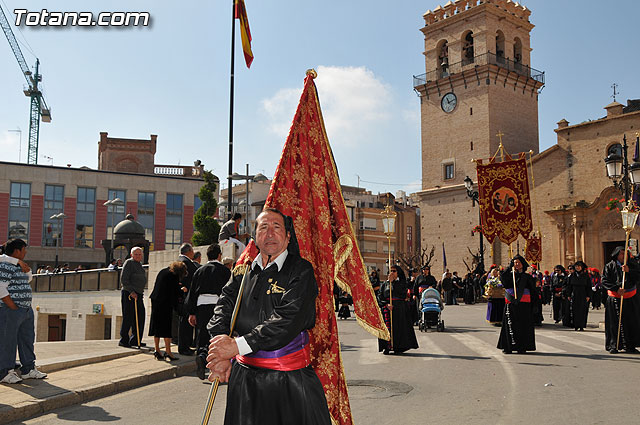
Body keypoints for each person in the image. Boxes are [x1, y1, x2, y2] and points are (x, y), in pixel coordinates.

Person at [206, 208, 331, 424]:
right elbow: (222, 310)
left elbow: (286, 321)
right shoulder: (241, 273)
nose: (270, 233)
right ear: (255, 237)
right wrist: (220, 355)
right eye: (263, 227)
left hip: (288, 382)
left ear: (288, 235)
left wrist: (235, 347)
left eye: (276, 227)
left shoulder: (301, 271)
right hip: (244, 381)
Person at [0, 239, 47, 384]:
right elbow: (0, 287)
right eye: (24, 249)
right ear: (17, 251)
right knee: (8, 341)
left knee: (27, 339)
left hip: (25, 309)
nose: (26, 252)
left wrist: (25, 269)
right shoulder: (5, 265)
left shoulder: (19, 265)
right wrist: (12, 306)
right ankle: (4, 372)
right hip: (11, 310)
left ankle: (28, 369)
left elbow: (28, 280)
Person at [186, 243, 231, 380]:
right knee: (216, 335)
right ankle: (212, 364)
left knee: (202, 333)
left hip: (201, 306)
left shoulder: (199, 271)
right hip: (218, 306)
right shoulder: (225, 271)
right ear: (219, 255)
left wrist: (191, 312)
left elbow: (192, 292)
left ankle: (201, 355)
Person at [601, 247, 640, 353]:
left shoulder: (632, 265)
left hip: (630, 297)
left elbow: (637, 277)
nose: (624, 256)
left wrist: (629, 271)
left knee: (630, 321)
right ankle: (614, 345)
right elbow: (604, 280)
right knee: (614, 323)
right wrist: (616, 289)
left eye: (625, 253)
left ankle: (630, 345)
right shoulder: (609, 266)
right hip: (615, 297)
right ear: (617, 255)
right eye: (621, 254)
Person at [497, 255, 537, 354]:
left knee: (523, 325)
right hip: (511, 304)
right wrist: (508, 269)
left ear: (522, 264)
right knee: (510, 324)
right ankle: (508, 347)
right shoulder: (510, 276)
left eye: (518, 262)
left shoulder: (527, 277)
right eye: (514, 263)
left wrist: (535, 305)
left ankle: (521, 347)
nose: (516, 264)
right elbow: (504, 281)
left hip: (524, 305)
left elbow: (533, 291)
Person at [149, 261, 188, 361]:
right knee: (166, 327)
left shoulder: (163, 271)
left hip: (156, 300)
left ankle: (157, 350)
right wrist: (182, 290)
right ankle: (168, 352)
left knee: (156, 326)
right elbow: (174, 292)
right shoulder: (173, 275)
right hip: (165, 303)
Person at [377, 265, 419, 355]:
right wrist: (386, 304)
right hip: (387, 308)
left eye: (394, 271)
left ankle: (398, 346)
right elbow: (380, 296)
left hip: (399, 309)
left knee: (398, 328)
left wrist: (393, 283)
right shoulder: (384, 284)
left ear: (398, 273)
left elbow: (402, 294)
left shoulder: (401, 283)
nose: (392, 272)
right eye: (391, 271)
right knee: (387, 328)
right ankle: (386, 347)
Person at [119, 247, 147, 348]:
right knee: (128, 317)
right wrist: (131, 291)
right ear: (131, 255)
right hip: (129, 294)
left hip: (139, 294)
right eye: (136, 254)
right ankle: (124, 339)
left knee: (140, 317)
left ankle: (136, 339)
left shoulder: (139, 265)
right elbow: (124, 279)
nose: (138, 256)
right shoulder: (129, 263)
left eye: (140, 254)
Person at [176, 243, 199, 355]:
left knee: (185, 322)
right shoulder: (185, 262)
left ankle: (186, 345)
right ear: (189, 251)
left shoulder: (182, 260)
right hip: (186, 296)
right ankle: (184, 347)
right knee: (185, 322)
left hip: (185, 295)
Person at [568, 261, 591, 331]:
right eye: (576, 266)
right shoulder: (572, 275)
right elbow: (569, 286)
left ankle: (581, 325)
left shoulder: (586, 276)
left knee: (582, 310)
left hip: (583, 294)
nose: (577, 267)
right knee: (575, 310)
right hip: (574, 294)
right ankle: (576, 325)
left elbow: (589, 286)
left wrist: (588, 296)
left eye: (579, 266)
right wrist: (568, 295)